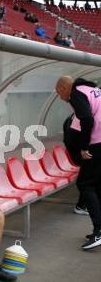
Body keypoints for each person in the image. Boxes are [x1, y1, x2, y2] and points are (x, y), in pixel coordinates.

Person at [55, 76, 101, 250]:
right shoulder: (93, 90)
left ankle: (98, 231)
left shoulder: (77, 93)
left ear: (65, 87)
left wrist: (83, 147)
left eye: (60, 93)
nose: (61, 97)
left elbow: (87, 119)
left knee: (85, 184)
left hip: (97, 144)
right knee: (97, 185)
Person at [63, 113, 89, 216]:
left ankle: (84, 204)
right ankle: (82, 205)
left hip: (80, 154)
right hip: (81, 156)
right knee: (89, 178)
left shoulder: (75, 116)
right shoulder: (81, 117)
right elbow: (71, 140)